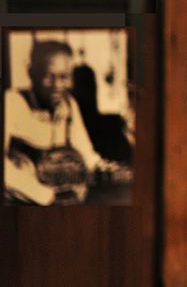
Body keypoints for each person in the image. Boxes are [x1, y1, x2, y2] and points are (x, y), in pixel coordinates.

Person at [4, 40, 116, 206]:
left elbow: (85, 152)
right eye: (49, 76)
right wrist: (45, 196)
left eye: (64, 77)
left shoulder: (68, 104)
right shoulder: (12, 102)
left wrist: (103, 168)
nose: (57, 85)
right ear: (31, 73)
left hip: (61, 201)